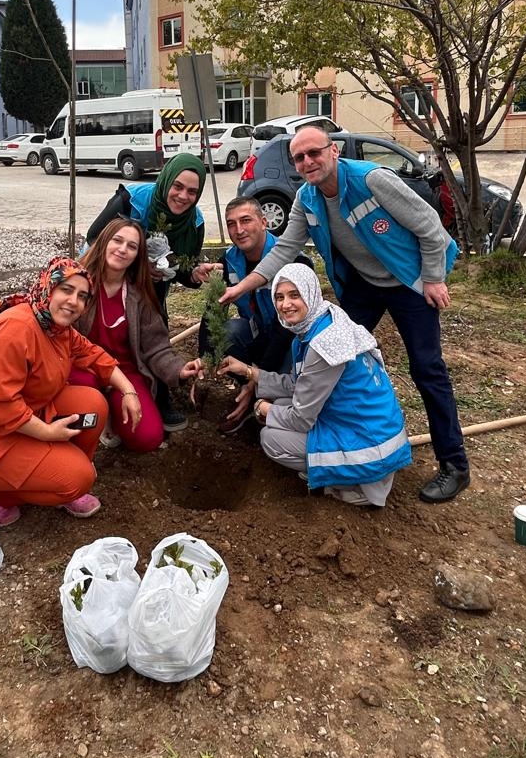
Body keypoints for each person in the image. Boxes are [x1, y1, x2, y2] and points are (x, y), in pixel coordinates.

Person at [221, 124, 468, 503]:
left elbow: (431, 227)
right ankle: (309, 422)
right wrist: (243, 285)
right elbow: (285, 247)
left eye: (314, 153)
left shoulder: (373, 181)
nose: (308, 162)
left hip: (409, 282)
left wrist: (433, 278)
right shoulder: (307, 197)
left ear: (333, 151)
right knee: (320, 344)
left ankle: (454, 465)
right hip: (365, 286)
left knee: (426, 368)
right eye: (299, 158)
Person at [0, 257, 143, 528]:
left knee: (93, 404)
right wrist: (48, 433)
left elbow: (93, 354)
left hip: (23, 417)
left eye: (82, 296)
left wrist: (129, 391)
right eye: (66, 290)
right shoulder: (17, 328)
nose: (74, 301)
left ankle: (52, 476)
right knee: (79, 478)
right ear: (48, 287)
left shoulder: (55, 327)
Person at [221, 263, 411, 506]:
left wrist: (262, 410)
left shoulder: (323, 346)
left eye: (294, 295)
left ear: (309, 292)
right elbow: (297, 384)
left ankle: (349, 485)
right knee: (281, 402)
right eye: (279, 297)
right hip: (368, 425)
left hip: (370, 446)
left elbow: (301, 419)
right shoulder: (320, 320)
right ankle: (347, 471)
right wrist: (250, 372)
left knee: (271, 439)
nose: (285, 304)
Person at [85, 151, 215, 430]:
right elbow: (95, 236)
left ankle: (158, 394)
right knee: (97, 327)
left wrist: (194, 273)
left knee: (155, 324)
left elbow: (183, 267)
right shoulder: (132, 200)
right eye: (177, 186)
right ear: (166, 180)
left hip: (150, 284)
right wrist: (137, 263)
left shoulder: (195, 222)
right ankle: (92, 387)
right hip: (105, 273)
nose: (182, 196)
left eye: (192, 191)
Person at [72, 217, 203, 452]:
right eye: (117, 240)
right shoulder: (78, 284)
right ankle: (96, 416)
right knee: (86, 397)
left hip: (125, 374)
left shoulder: (138, 295)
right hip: (83, 371)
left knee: (148, 437)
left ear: (137, 256)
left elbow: (157, 347)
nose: (123, 249)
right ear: (103, 242)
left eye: (132, 246)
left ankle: (112, 411)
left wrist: (179, 369)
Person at [198, 195, 311, 429]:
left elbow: (286, 330)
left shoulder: (293, 260)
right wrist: (203, 357)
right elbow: (215, 307)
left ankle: (261, 396)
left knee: (286, 391)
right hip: (260, 333)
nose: (239, 230)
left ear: (263, 222)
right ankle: (252, 393)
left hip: (294, 343)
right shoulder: (230, 259)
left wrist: (256, 375)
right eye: (231, 223)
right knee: (230, 332)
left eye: (246, 220)